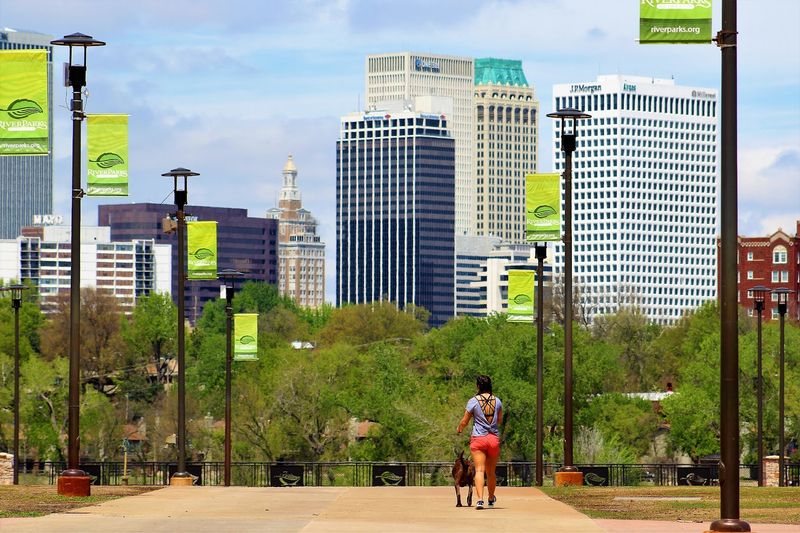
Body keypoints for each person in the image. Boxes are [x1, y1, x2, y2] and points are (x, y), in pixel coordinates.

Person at [457, 375, 502, 510]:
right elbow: (499, 420)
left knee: (479, 470)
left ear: (478, 386)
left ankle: (480, 500)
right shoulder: (497, 401)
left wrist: (460, 428)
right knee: (491, 472)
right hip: (493, 438)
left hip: (478, 439)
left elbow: (465, 421)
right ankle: (491, 499)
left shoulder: (473, 401)